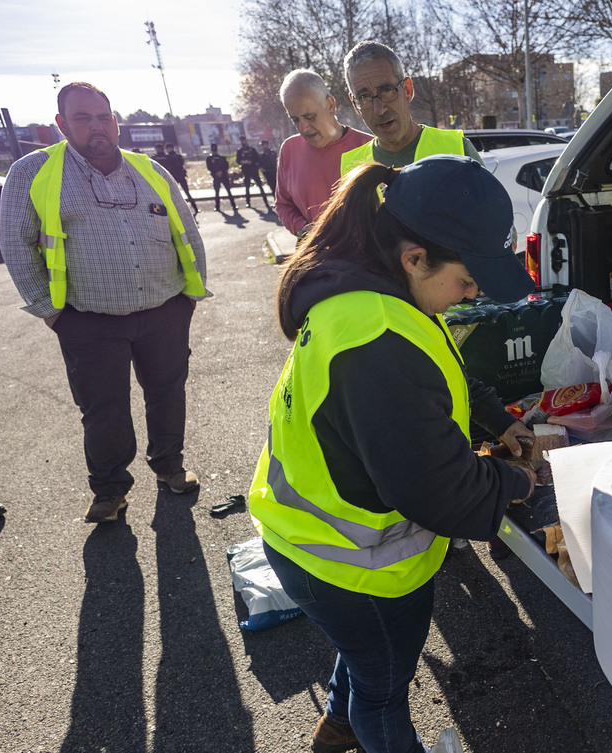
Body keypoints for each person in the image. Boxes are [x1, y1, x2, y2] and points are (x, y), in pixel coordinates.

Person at [248, 155, 537, 753]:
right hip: (347, 563)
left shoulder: (372, 292)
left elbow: (439, 372)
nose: (475, 291)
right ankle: (357, 727)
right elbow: (440, 492)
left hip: (305, 534)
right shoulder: (376, 340)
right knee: (383, 687)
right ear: (415, 257)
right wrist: (517, 483)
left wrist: (497, 419)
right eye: (468, 278)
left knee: (365, 659)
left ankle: (336, 726)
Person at [0, 82, 209, 523]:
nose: (97, 127)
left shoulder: (149, 169)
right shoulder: (34, 172)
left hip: (164, 311)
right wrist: (51, 311)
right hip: (87, 320)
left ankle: (170, 466)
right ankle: (110, 491)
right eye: (82, 118)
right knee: (103, 410)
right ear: (61, 124)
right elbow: (16, 245)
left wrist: (190, 295)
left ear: (114, 122)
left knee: (168, 394)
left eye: (103, 117)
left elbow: (187, 232)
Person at [339, 41, 481, 176]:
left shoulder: (458, 150)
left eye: (387, 90)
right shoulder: (351, 168)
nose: (379, 110)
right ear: (355, 105)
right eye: (365, 97)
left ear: (407, 90)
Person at [275, 69, 372, 239]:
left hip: (368, 261)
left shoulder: (371, 148)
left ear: (330, 105)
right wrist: (303, 229)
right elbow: (283, 205)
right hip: (317, 260)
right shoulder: (289, 149)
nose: (303, 127)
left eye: (310, 117)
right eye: (295, 119)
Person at [235, 136, 271, 212]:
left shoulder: (252, 150)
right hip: (246, 171)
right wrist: (243, 162)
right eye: (241, 141)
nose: (242, 142)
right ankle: (248, 202)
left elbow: (257, 159)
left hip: (253, 170)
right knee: (247, 187)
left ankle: (266, 202)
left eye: (243, 140)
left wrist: (251, 162)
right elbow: (238, 160)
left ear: (246, 141)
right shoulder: (240, 151)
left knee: (260, 186)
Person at [162, 142, 199, 214]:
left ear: (172, 148)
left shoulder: (177, 157)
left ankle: (195, 208)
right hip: (173, 177)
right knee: (173, 194)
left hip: (179, 176)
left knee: (187, 193)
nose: (168, 150)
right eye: (167, 149)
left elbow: (181, 166)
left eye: (169, 148)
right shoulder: (167, 157)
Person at [206, 143, 237, 212]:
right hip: (216, 177)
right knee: (217, 192)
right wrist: (216, 173)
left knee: (228, 191)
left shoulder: (222, 158)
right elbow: (209, 167)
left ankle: (233, 205)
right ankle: (217, 206)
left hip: (224, 176)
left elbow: (226, 166)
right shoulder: (209, 159)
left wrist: (221, 172)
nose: (214, 151)